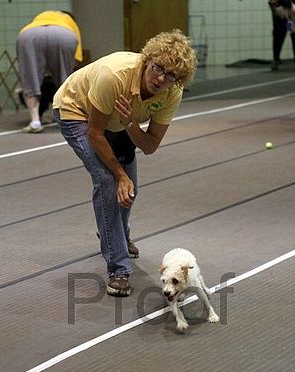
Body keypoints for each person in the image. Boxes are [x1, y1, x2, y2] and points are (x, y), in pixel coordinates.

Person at [53, 29, 197, 297]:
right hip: (77, 112)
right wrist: (119, 174)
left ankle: (116, 235)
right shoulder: (115, 75)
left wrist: (131, 122)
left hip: (119, 120)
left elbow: (150, 145)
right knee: (108, 182)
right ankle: (118, 269)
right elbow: (94, 133)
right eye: (158, 68)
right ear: (147, 60)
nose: (161, 78)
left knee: (131, 189)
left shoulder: (170, 93)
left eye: (171, 76)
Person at [16, 10, 83, 133]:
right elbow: (76, 59)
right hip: (63, 34)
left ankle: (35, 121)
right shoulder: (69, 21)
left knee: (30, 77)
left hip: (28, 34)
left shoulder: (40, 17)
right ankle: (66, 119)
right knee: (65, 79)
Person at [269, 0, 295, 70]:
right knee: (278, 35)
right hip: (288, 17)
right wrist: (272, 5)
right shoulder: (280, 10)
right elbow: (273, 8)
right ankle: (276, 59)